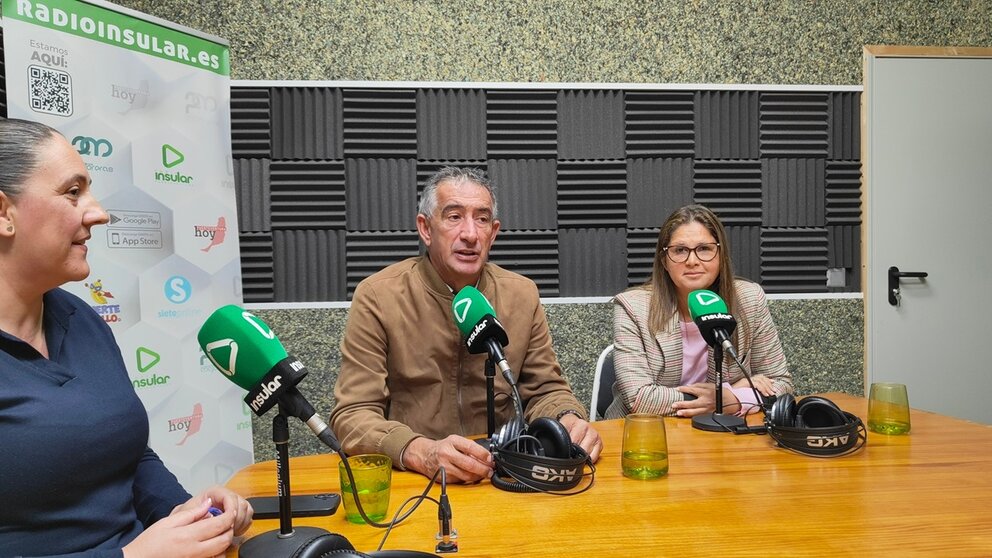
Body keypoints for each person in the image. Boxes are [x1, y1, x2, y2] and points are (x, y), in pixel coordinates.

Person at [0, 118, 252, 558]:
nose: (99, 212)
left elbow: (127, 459)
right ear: (4, 213)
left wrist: (186, 512)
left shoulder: (82, 320)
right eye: (73, 192)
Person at [330, 166, 602, 484]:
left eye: (482, 219)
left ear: (494, 232)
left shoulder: (521, 294)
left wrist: (567, 417)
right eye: (454, 216)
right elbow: (353, 414)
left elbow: (545, 390)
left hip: (501, 474)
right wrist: (418, 450)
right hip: (419, 480)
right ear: (426, 228)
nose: (470, 234)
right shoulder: (379, 295)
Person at [605, 204, 793, 419]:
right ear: (664, 260)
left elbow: (781, 384)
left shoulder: (749, 300)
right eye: (680, 250)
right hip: (646, 434)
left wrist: (735, 397)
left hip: (721, 435)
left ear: (720, 255)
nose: (692, 261)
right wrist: (727, 397)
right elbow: (640, 398)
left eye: (704, 248)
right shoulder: (633, 307)